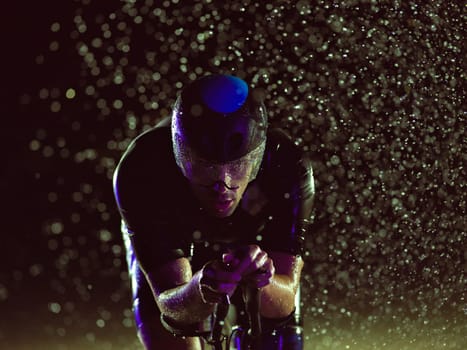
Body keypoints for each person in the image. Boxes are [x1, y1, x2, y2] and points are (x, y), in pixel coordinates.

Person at [113, 74, 314, 349]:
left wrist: (264, 280)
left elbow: (282, 305)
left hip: (248, 243)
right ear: (179, 156)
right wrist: (200, 291)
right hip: (178, 253)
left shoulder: (287, 165)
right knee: (173, 332)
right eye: (204, 166)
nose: (223, 185)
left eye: (239, 166)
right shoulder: (142, 169)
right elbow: (171, 309)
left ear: (257, 160)